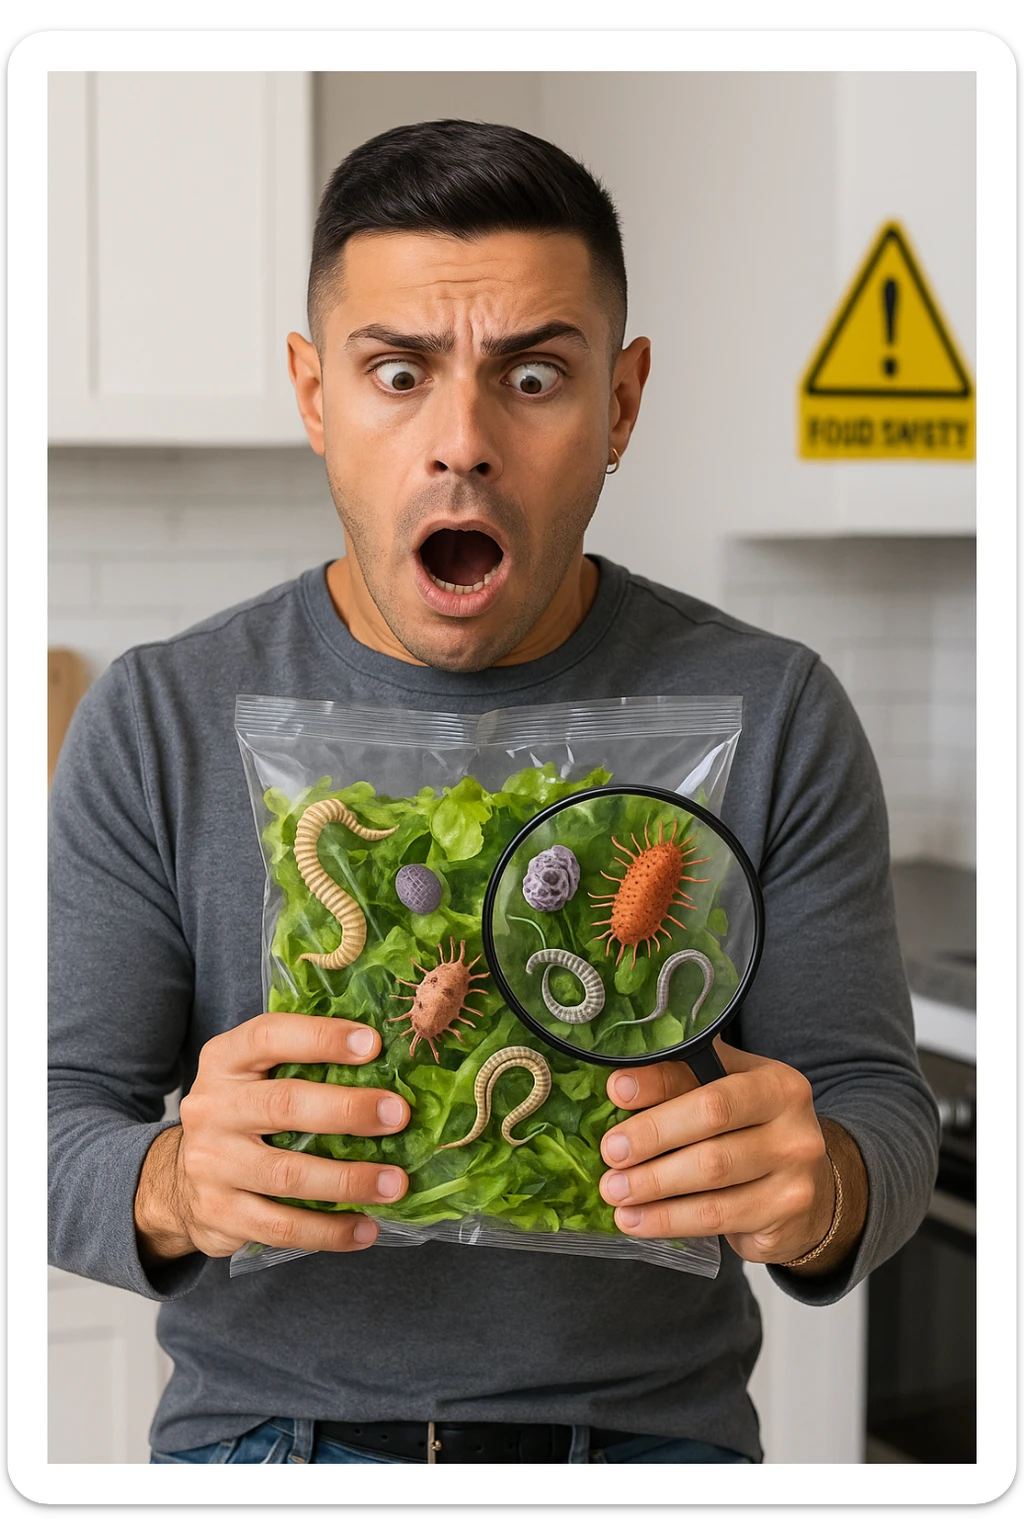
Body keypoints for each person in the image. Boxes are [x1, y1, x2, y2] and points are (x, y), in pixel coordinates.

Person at [48, 119, 939, 1468]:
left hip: (652, 1450)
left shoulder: (775, 708)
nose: (461, 442)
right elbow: (49, 1124)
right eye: (398, 373)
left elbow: (882, 1112)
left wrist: (825, 1193)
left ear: (621, 404)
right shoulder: (160, 715)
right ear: (315, 397)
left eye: (533, 376)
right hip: (262, 1447)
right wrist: (170, 1179)